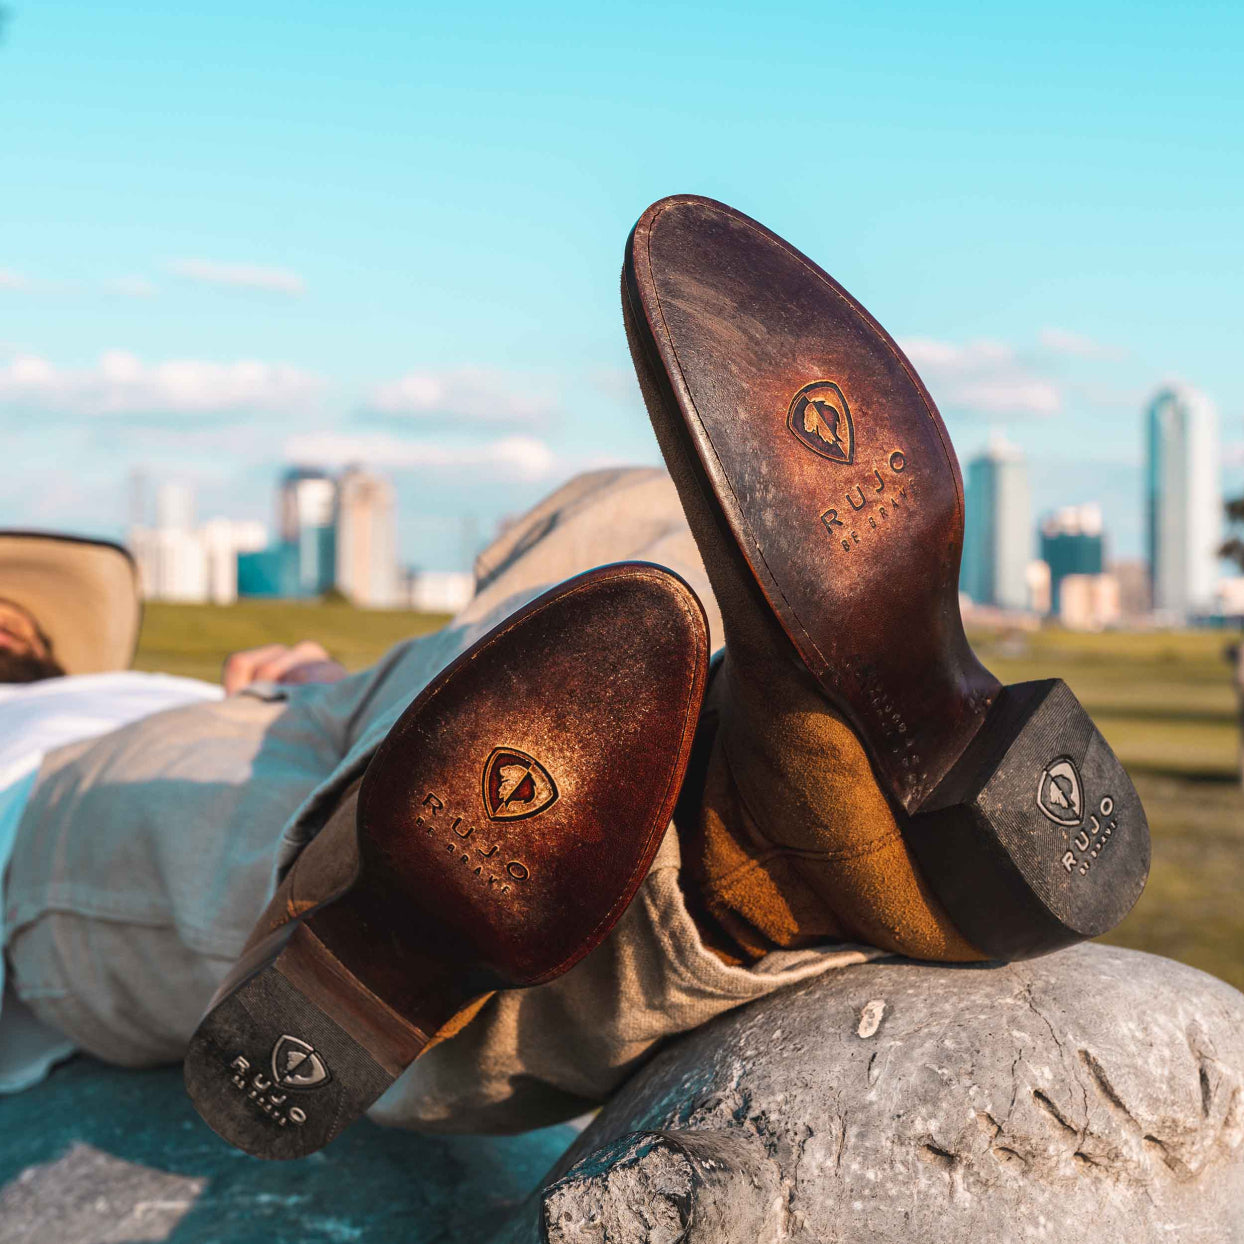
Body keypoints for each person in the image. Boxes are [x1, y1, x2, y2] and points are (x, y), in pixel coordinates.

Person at [1, 197, 1150, 1155]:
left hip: (313, 712)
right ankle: (736, 862)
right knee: (173, 817)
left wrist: (307, 681)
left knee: (635, 525)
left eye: (20, 636)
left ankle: (815, 771)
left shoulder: (171, 673)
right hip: (47, 787)